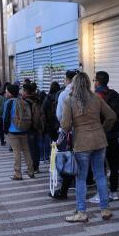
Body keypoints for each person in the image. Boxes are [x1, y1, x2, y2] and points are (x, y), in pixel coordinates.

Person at [61, 72, 116, 223]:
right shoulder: (96, 98)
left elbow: (65, 125)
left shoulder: (69, 100)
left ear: (74, 84)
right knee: (100, 175)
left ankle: (81, 212)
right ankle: (105, 209)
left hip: (82, 143)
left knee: (81, 178)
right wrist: (102, 129)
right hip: (99, 141)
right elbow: (112, 116)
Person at [89, 71, 119, 203]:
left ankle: (100, 194)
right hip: (114, 136)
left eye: (94, 80)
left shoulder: (94, 97)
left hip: (100, 137)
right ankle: (114, 192)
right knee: (114, 166)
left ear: (97, 82)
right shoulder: (116, 96)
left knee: (100, 167)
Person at [49, 70, 78, 200]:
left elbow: (60, 116)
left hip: (69, 134)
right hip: (87, 136)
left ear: (68, 80)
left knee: (68, 160)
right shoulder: (91, 96)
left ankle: (64, 189)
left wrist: (61, 136)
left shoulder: (64, 95)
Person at [3, 84, 35, 180]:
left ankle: (18, 173)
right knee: (26, 150)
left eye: (7, 91)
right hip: (24, 129)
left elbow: (5, 118)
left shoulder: (8, 102)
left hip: (13, 131)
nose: (5, 92)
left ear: (10, 92)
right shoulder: (23, 101)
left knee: (16, 152)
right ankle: (31, 171)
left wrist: (5, 130)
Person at [22, 82, 43, 173]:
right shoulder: (37, 99)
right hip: (37, 127)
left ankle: (33, 168)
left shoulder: (26, 102)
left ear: (26, 92)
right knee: (35, 148)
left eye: (22, 91)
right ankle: (36, 167)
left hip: (29, 128)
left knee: (31, 149)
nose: (22, 92)